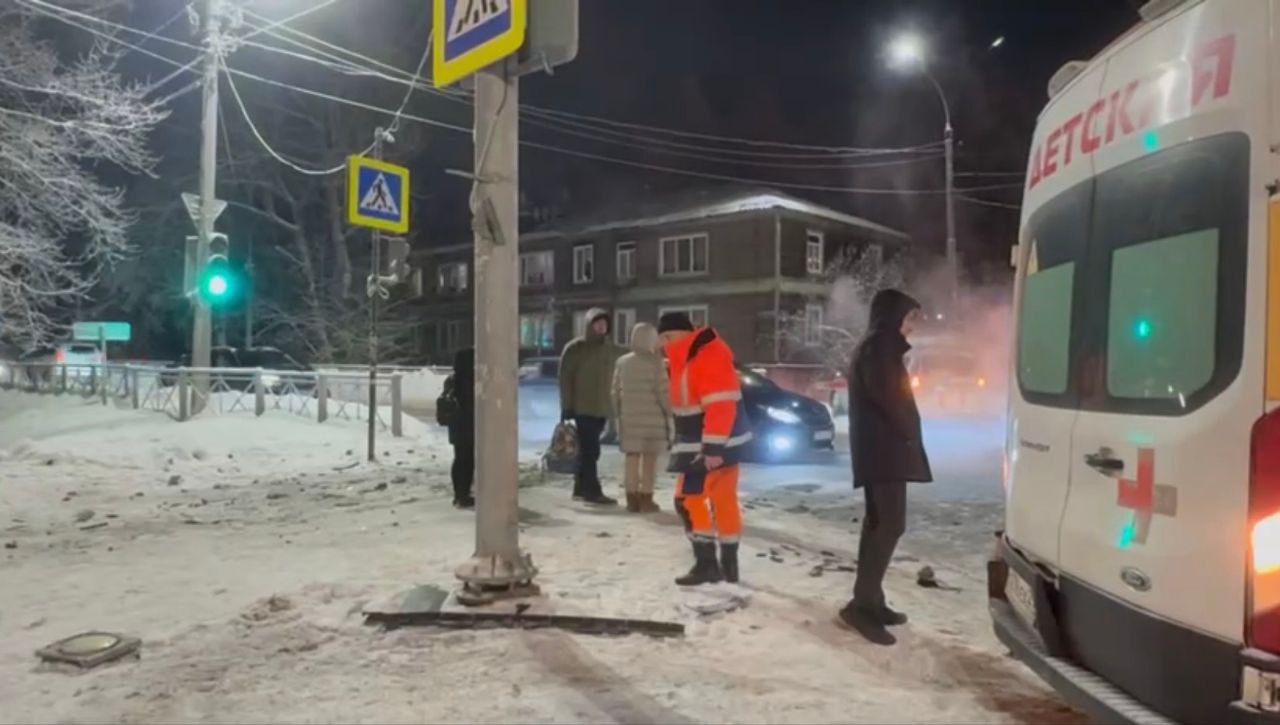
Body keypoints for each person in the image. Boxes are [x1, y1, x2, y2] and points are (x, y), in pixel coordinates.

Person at [839, 289, 933, 646]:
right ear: (892, 317)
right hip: (884, 452)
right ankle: (862, 606)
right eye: (909, 318)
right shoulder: (879, 349)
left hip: (882, 452)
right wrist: (910, 436)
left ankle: (870, 600)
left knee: (880, 524)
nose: (911, 327)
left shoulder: (880, 348)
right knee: (889, 525)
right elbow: (893, 402)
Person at [658, 311, 753, 586]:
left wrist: (712, 448)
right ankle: (729, 566)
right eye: (662, 338)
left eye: (668, 336)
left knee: (687, 499)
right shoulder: (695, 354)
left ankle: (707, 564)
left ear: (683, 332)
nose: (664, 343)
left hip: (706, 446)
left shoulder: (702, 355)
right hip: (719, 443)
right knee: (723, 499)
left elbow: (720, 404)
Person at [559, 307, 623, 506]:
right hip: (582, 407)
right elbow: (565, 379)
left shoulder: (610, 350)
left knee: (588, 450)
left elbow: (627, 357)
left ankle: (580, 488)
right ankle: (592, 491)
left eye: (604, 323)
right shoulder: (576, 349)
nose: (601, 327)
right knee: (590, 450)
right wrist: (567, 406)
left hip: (602, 408)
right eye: (597, 323)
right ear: (589, 325)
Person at [611, 322, 670, 513]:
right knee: (650, 460)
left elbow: (614, 392)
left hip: (629, 419)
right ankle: (646, 498)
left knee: (631, 458)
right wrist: (670, 412)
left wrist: (618, 413)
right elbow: (663, 392)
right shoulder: (656, 362)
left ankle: (631, 499)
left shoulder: (622, 362)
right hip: (653, 421)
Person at [446, 347, 476, 509]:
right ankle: (463, 494)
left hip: (456, 426)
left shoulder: (452, 379)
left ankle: (459, 494)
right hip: (469, 425)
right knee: (467, 460)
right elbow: (471, 403)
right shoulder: (470, 380)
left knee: (460, 459)